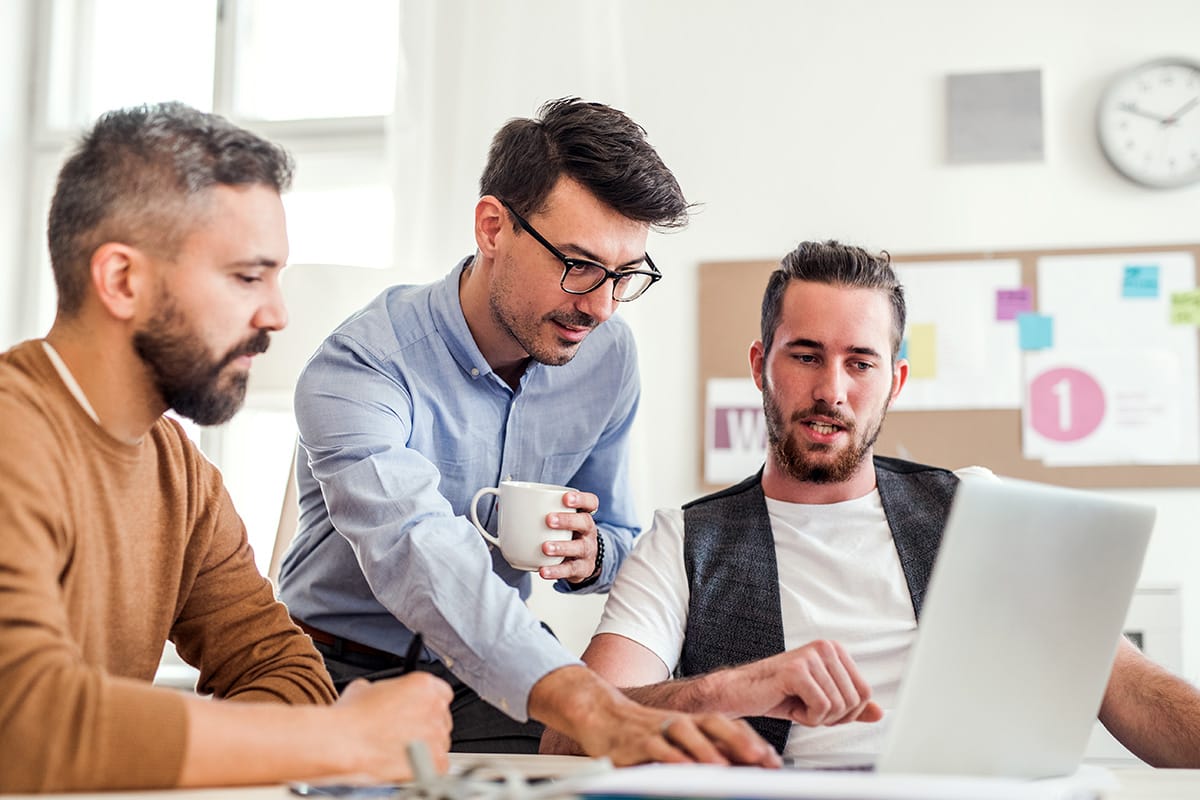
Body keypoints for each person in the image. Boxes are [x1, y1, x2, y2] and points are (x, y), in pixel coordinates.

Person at [543, 239, 1200, 766]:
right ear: (759, 365)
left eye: (860, 363)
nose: (831, 389)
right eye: (805, 355)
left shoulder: (976, 509)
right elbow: (569, 737)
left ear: (895, 382)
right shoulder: (680, 542)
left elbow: (1129, 687)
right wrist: (723, 692)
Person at [277, 97, 777, 766]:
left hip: (485, 680)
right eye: (580, 265)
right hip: (330, 671)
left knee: (599, 776)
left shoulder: (608, 356)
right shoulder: (363, 363)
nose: (600, 307)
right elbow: (417, 551)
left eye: (625, 276)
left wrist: (591, 553)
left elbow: (626, 542)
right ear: (493, 228)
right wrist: (592, 703)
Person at [0, 102, 453, 794]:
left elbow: (288, 672)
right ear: (123, 280)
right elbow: (26, 722)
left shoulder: (180, 473)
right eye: (248, 277)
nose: (277, 314)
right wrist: (343, 738)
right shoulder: (13, 437)